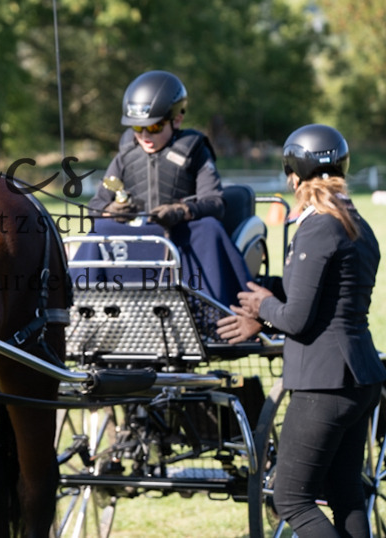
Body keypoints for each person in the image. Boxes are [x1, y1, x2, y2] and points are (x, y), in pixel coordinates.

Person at [217, 123, 386, 537]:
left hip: (324, 383)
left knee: (291, 496)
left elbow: (296, 319)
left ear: (294, 175)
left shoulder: (318, 226)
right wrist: (272, 295)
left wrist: (261, 306)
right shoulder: (355, 223)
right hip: (359, 377)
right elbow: (324, 295)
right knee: (344, 489)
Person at [74, 71, 251, 308]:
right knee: (101, 228)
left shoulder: (194, 149)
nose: (145, 135)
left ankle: (213, 313)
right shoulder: (126, 154)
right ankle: (81, 307)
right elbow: (95, 208)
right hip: (136, 237)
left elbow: (216, 203)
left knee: (209, 227)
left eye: (154, 127)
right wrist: (113, 210)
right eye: (138, 127)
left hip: (180, 234)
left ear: (176, 120)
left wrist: (180, 210)